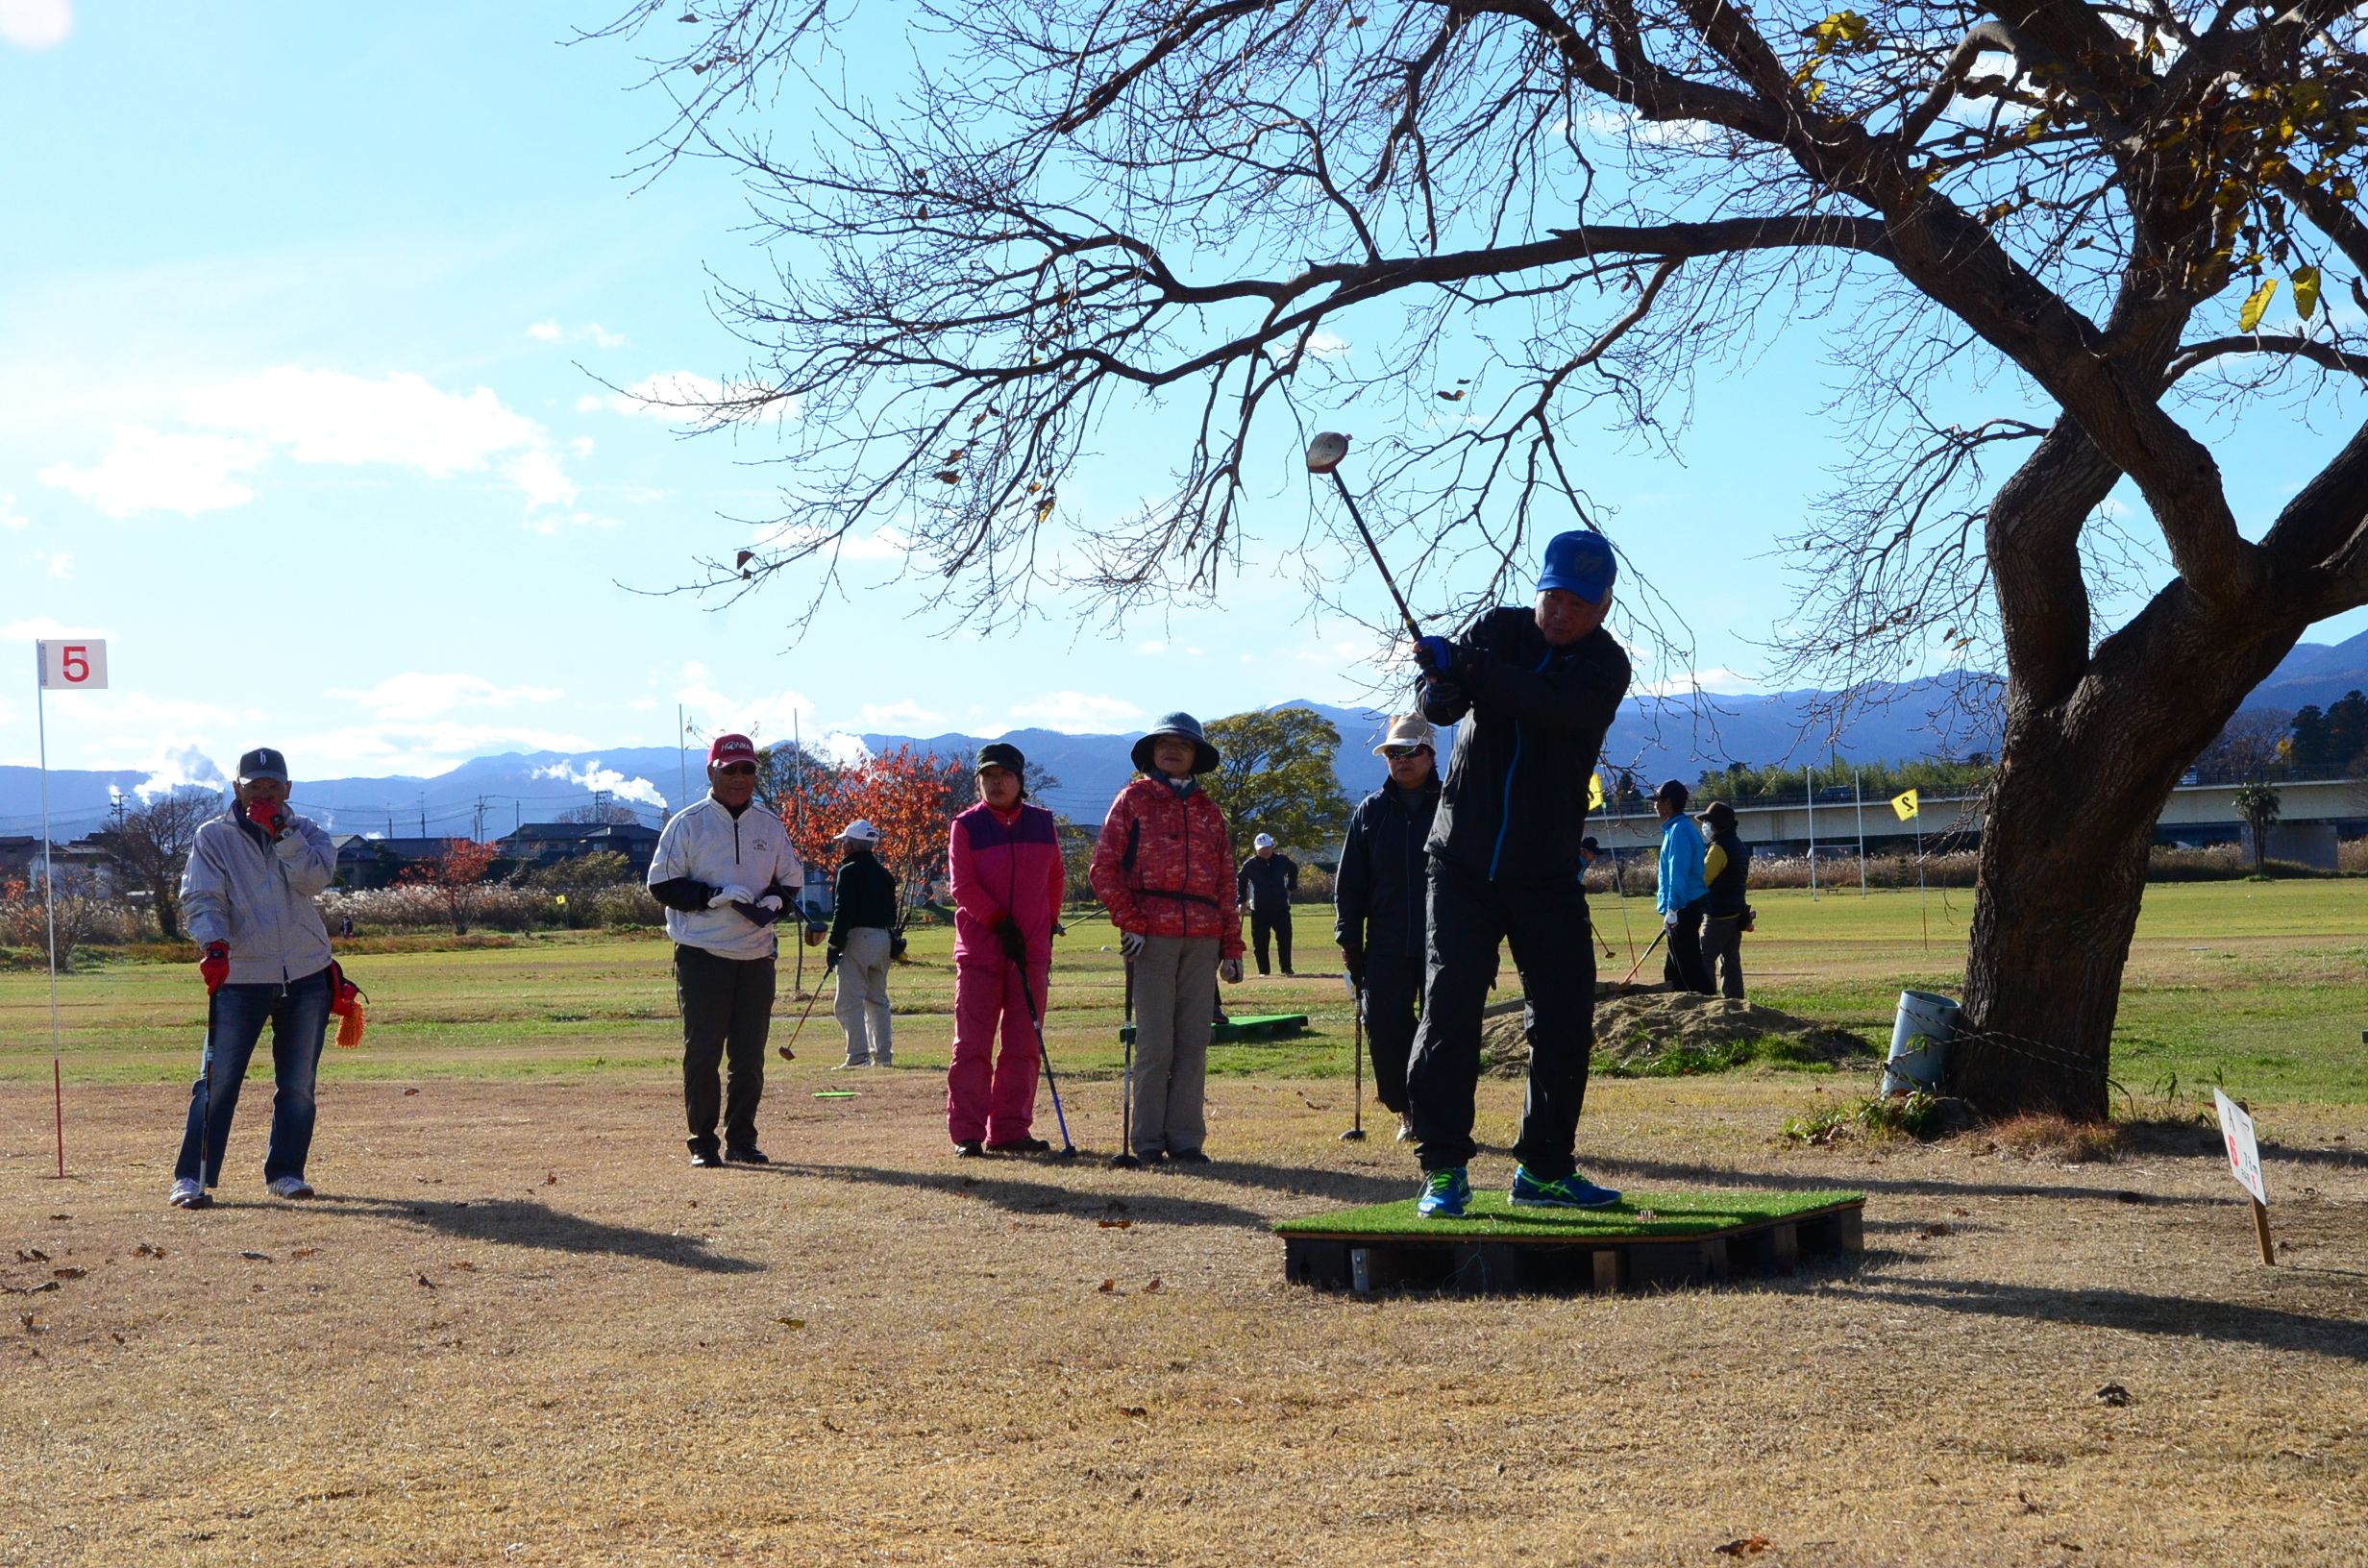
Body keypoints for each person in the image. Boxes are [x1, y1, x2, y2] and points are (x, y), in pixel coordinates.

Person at [1402, 529, 1631, 1218]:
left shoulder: (1604, 667)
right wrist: (1438, 678)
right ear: (1538, 589)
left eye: (1579, 603)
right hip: (1461, 862)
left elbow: (1548, 706)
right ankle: (1442, 1169)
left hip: (1545, 872)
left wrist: (1467, 669)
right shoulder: (1498, 630)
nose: (1562, 613)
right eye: (1553, 596)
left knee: (1563, 1017)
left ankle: (1545, 1168)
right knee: (1450, 1011)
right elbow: (1440, 704)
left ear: (1604, 605)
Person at [167, 747, 341, 1209]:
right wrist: (214, 944)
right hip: (241, 977)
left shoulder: (309, 833)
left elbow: (313, 881)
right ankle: (193, 1176)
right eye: (254, 784)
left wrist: (282, 833)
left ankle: (286, 1172)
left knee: (298, 1084)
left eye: (272, 784)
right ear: (236, 787)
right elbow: (201, 897)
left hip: (306, 974)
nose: (263, 792)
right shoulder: (213, 838)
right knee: (218, 1080)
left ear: (288, 789)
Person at [1090, 712, 1245, 1164]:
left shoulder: (1209, 811)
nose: (1172, 750)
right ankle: (1148, 1140)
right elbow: (1102, 868)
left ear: (1195, 755)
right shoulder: (1133, 800)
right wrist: (1130, 920)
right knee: (1156, 1044)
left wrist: (1232, 948)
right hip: (1150, 936)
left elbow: (1226, 883)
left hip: (1203, 936)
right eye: (1164, 744)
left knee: (1194, 1043)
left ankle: (1186, 1140)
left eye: (1183, 745)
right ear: (1153, 753)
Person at [646, 733, 804, 1167]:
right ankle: (703, 1143)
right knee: (703, 1053)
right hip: (702, 954)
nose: (739, 777)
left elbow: (791, 879)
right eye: (729, 769)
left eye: (747, 769)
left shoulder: (770, 825)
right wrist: (709, 895)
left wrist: (777, 900)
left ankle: (742, 1141)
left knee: (749, 1057)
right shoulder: (688, 823)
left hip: (757, 956)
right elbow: (660, 883)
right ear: (711, 772)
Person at [946, 743, 1065, 1156]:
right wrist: (998, 921)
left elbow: (1054, 877)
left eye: (1004, 776)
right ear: (979, 782)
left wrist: (1047, 925)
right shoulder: (966, 825)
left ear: (1020, 781)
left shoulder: (1043, 823)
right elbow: (962, 887)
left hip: (1030, 952)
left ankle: (1011, 1129)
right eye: (988, 777)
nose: (996, 783)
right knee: (972, 1044)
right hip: (981, 951)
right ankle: (968, 1133)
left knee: (1023, 1044)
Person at [1334, 715, 1441, 1142]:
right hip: (1385, 940)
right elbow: (1350, 882)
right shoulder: (1370, 812)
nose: (1402, 760)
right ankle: (1406, 1109)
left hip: (1447, 938)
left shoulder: (1456, 803)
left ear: (1431, 755)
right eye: (1394, 753)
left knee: (1445, 1026)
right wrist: (1348, 937)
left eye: (1411, 751)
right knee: (1385, 1024)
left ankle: (1439, 1108)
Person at [826, 819, 899, 1068]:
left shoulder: (848, 871)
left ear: (852, 844)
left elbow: (842, 911)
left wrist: (834, 944)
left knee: (848, 1002)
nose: (842, 845)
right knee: (877, 999)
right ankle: (883, 1057)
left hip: (858, 938)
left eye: (844, 841)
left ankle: (858, 1056)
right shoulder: (885, 874)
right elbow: (892, 912)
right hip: (883, 939)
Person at [1654, 779, 1714, 993]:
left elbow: (1677, 872)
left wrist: (1672, 908)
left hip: (1683, 906)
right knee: (1674, 967)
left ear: (1668, 803)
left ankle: (1707, 1004)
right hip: (1685, 904)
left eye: (1658, 800)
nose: (1655, 805)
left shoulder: (1679, 831)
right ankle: (1678, 1003)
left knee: (1688, 965)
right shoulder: (1678, 829)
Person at [1698, 800, 1752, 999]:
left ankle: (1706, 997)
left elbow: (1703, 879)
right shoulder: (1738, 846)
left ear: (1718, 825)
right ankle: (1735, 1000)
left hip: (1717, 913)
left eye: (1708, 822)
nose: (1705, 826)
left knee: (1705, 957)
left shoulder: (1718, 849)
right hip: (1736, 911)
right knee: (1730, 960)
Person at [1237, 833, 1299, 975]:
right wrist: (1241, 900)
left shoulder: (1282, 861)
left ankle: (1286, 968)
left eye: (1267, 848)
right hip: (1259, 909)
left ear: (1272, 846)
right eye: (1261, 849)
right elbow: (1241, 881)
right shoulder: (1250, 865)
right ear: (1256, 849)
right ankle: (1264, 972)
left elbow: (1293, 870)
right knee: (1260, 943)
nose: (1265, 851)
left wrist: (1291, 887)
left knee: (1285, 938)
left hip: (1281, 908)